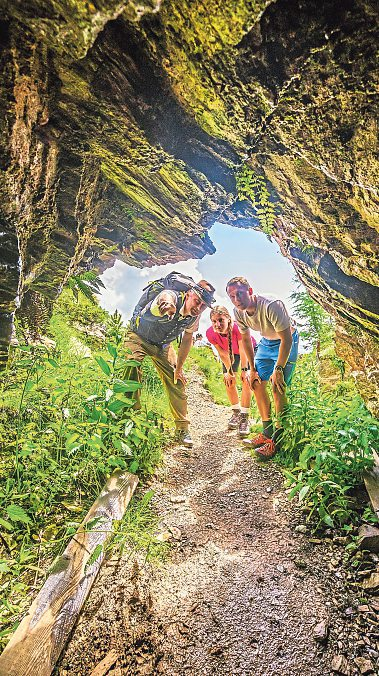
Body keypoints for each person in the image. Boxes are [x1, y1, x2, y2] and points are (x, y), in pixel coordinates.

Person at [124, 275, 216, 448]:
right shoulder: (172, 296)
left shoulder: (194, 316)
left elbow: (188, 338)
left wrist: (179, 368)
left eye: (204, 305)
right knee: (132, 366)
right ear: (189, 294)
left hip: (163, 345)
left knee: (177, 381)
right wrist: (167, 305)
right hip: (139, 337)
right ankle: (129, 420)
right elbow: (165, 297)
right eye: (197, 301)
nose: (199, 307)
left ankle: (182, 429)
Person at [226, 277, 299, 459]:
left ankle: (278, 438)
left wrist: (279, 369)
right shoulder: (238, 312)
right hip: (266, 342)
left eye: (240, 294)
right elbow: (245, 340)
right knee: (256, 382)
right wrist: (251, 368)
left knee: (277, 387)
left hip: (286, 341)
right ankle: (266, 432)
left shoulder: (272, 305)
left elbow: (287, 339)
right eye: (232, 296)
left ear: (250, 291)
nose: (237, 299)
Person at [206, 306, 257, 437]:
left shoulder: (237, 328)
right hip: (229, 354)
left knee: (246, 381)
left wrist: (245, 370)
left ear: (228, 319)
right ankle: (236, 412)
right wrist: (229, 371)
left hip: (247, 350)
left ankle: (245, 417)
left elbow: (243, 349)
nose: (217, 324)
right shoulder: (210, 333)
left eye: (221, 320)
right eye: (214, 321)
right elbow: (222, 353)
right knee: (228, 381)